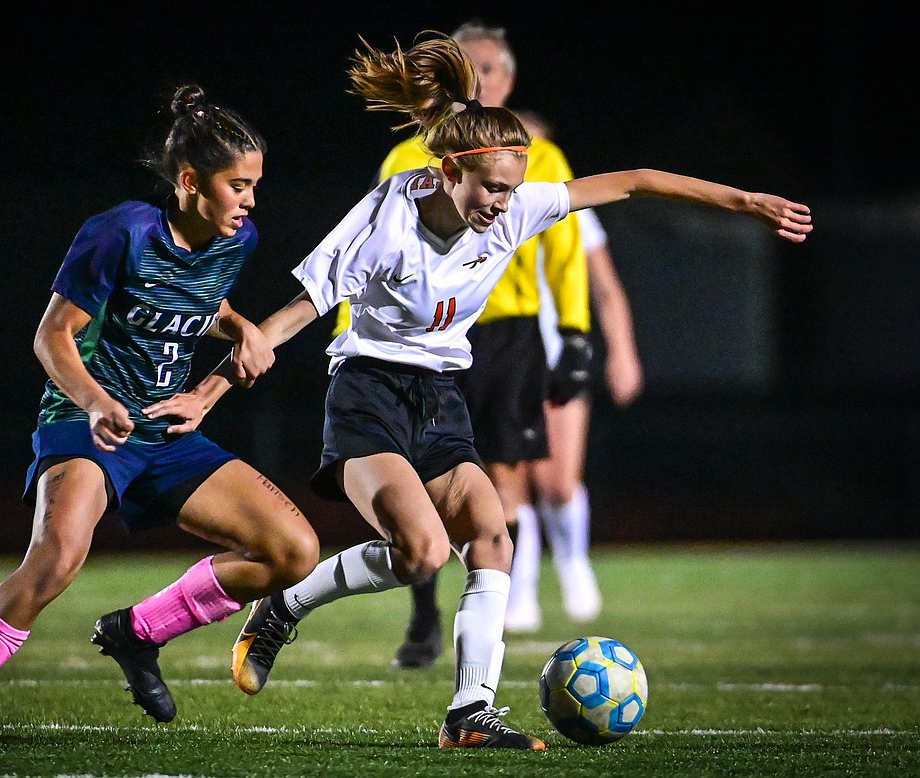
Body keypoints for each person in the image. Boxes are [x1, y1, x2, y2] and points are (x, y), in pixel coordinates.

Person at [156, 31, 809, 750]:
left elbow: (636, 180)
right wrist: (209, 391)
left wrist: (742, 199)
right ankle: (285, 606)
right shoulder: (386, 221)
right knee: (424, 551)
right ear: (447, 171)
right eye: (492, 187)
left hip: (439, 393)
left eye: (512, 187)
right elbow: (291, 316)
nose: (504, 204)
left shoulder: (515, 205)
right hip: (368, 391)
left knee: (491, 538)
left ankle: (469, 715)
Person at [0, 85, 320, 750]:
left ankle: (138, 632)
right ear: (189, 181)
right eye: (238, 185)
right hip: (85, 420)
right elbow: (52, 337)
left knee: (293, 551)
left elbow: (199, 299)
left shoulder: (237, 241)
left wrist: (240, 324)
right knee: (58, 558)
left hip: (165, 429)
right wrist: (98, 402)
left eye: (254, 186)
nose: (250, 200)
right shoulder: (118, 232)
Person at [336, 21, 598, 665]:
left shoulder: (537, 160)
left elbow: (566, 253)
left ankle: (512, 601)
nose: (483, 83)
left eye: (493, 71)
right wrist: (347, 333)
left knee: (503, 474)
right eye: (471, 70)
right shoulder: (407, 163)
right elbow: (357, 267)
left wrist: (575, 330)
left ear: (509, 80)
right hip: (418, 349)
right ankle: (425, 618)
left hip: (507, 336)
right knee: (423, 496)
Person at [502, 107, 645, 633]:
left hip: (558, 350)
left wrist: (622, 352)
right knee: (508, 480)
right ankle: (520, 591)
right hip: (502, 352)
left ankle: (573, 561)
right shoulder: (483, 205)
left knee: (559, 480)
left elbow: (605, 288)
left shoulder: (570, 207)